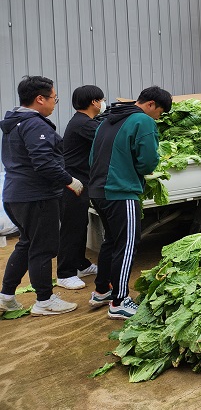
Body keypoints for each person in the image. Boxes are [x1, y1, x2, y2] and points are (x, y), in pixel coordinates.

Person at [88, 86, 172, 319]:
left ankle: (102, 290)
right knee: (127, 246)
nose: (158, 117)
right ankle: (120, 301)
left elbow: (92, 156)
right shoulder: (142, 121)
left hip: (98, 189)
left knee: (112, 241)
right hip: (121, 190)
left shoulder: (107, 119)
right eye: (160, 112)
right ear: (151, 105)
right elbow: (147, 162)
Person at [0, 76, 81, 316]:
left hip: (15, 194)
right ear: (40, 99)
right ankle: (44, 300)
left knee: (26, 243)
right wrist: (70, 180)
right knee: (43, 248)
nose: (55, 103)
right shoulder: (34, 124)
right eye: (54, 98)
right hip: (36, 196)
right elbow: (43, 162)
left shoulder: (14, 122)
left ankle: (6, 296)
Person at [56, 85, 106, 290]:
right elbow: (107, 137)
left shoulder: (83, 121)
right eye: (101, 99)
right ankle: (65, 273)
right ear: (94, 102)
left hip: (80, 182)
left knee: (79, 224)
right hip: (71, 184)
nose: (104, 103)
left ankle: (80, 264)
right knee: (71, 227)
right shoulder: (84, 124)